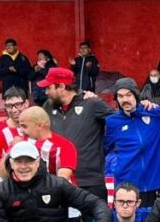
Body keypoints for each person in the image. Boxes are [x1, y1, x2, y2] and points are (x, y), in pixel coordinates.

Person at [40, 67, 115, 202]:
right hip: (58, 182)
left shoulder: (92, 103)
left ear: (61, 86)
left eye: (48, 88)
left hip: (90, 182)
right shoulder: (48, 106)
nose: (46, 92)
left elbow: (120, 122)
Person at [105, 77, 160, 205]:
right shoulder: (112, 121)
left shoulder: (157, 114)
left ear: (136, 95)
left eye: (129, 95)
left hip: (154, 185)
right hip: (126, 187)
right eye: (120, 96)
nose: (125, 100)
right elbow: (105, 149)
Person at [18, 106, 77, 184]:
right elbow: (4, 173)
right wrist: (11, 151)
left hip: (59, 193)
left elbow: (63, 179)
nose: (21, 131)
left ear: (39, 125)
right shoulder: (22, 143)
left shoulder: (64, 146)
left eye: (24, 126)